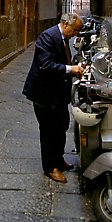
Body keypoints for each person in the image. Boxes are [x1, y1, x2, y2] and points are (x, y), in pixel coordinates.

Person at [22, 12, 84, 183]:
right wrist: (71, 69)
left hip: (59, 94)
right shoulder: (47, 37)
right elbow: (46, 65)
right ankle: (50, 167)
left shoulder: (63, 38)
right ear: (65, 24)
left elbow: (62, 62)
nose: (75, 35)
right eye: (74, 30)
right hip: (44, 94)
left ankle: (58, 159)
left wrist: (75, 69)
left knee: (62, 126)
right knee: (49, 131)